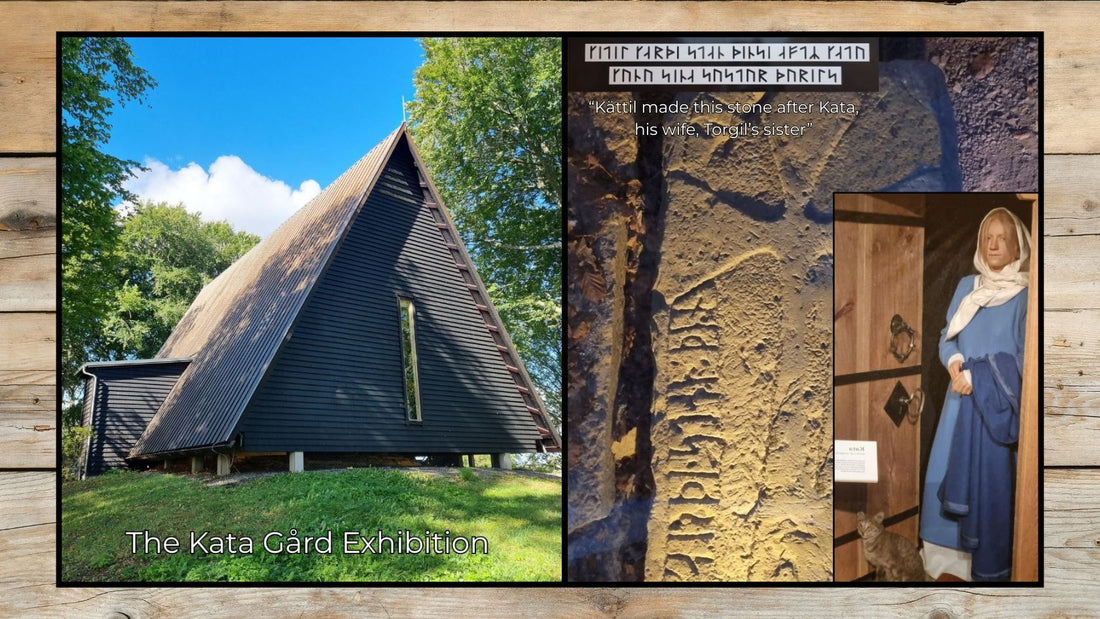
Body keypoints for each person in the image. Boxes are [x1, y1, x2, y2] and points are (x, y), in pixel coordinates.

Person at [919, 207, 1030, 581]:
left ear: (1018, 245)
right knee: (946, 478)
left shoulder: (1027, 294)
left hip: (995, 411)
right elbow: (946, 338)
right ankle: (944, 567)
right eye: (988, 237)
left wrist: (981, 377)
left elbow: (1023, 359)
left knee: (990, 490)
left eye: (1002, 237)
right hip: (958, 403)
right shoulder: (968, 286)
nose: (994, 244)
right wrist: (954, 365)